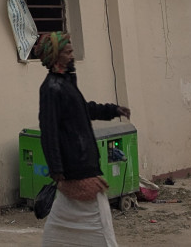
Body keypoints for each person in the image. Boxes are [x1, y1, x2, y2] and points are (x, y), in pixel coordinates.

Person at [34, 31, 130, 247]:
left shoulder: (65, 84)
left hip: (76, 169)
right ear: (56, 57)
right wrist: (57, 170)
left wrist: (112, 110)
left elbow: (83, 109)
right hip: (76, 170)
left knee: (56, 232)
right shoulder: (51, 88)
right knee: (101, 230)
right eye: (67, 52)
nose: (72, 56)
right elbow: (48, 132)